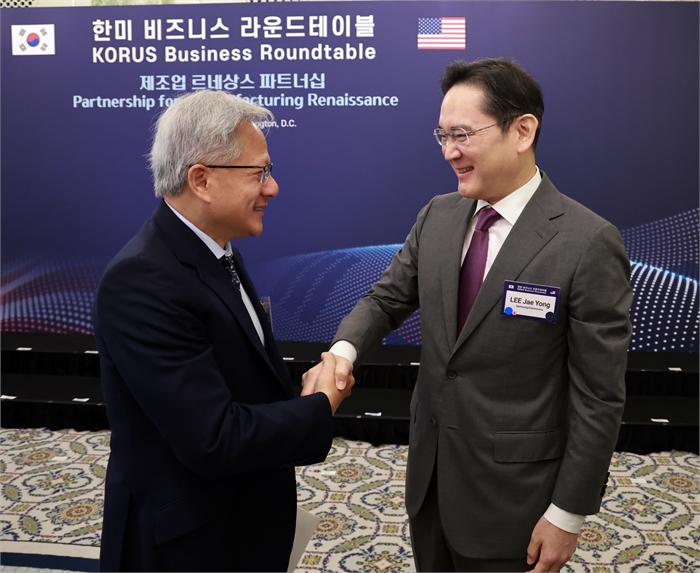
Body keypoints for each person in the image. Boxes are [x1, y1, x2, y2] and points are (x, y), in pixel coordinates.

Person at [302, 58, 632, 572]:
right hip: (430, 480)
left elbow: (598, 395)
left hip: (515, 499)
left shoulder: (587, 242)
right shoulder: (437, 216)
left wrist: (568, 513)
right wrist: (342, 354)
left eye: (462, 135)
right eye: (442, 135)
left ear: (522, 131)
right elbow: (385, 300)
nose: (449, 152)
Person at [93, 90, 354, 572]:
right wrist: (319, 405)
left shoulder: (216, 251)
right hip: (188, 546)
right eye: (259, 173)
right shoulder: (143, 279)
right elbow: (213, 438)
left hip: (238, 521)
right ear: (202, 180)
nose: (272, 189)